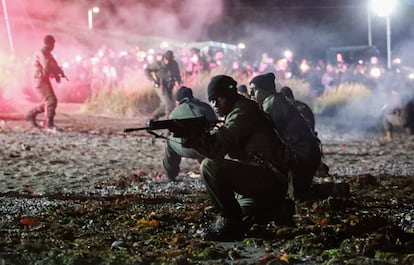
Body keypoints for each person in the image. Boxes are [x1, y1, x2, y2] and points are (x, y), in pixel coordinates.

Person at [183, 75, 293, 241]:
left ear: (229, 95)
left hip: (270, 179)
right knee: (247, 214)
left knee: (209, 167)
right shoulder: (239, 110)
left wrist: (192, 137)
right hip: (266, 180)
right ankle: (276, 209)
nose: (214, 105)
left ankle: (231, 222)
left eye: (217, 99)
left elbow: (217, 148)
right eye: (211, 100)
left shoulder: (243, 112)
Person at [249, 73, 321, 201]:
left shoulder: (272, 103)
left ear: (265, 91)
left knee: (296, 197)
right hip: (307, 153)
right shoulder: (278, 101)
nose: (251, 95)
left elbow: (264, 133)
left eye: (254, 91)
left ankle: (333, 190)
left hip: (301, 155)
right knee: (297, 194)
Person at [162, 86, 218, 181]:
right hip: (208, 148)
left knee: (169, 142)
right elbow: (215, 125)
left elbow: (169, 132)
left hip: (187, 148)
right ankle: (214, 171)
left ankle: (170, 176)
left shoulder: (175, 112)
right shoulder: (205, 106)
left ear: (178, 100)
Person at [26, 34, 67, 131]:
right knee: (51, 101)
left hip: (43, 80)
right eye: (53, 44)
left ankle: (32, 114)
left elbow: (54, 64)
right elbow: (47, 66)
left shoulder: (48, 53)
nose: (54, 47)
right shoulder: (41, 52)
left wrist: (59, 72)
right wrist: (56, 72)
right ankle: (49, 124)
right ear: (50, 44)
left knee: (49, 101)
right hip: (39, 80)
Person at [145, 50, 182, 120]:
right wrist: (153, 80)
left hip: (170, 86)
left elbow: (177, 74)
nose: (167, 61)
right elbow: (147, 70)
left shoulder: (174, 64)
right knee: (169, 104)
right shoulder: (158, 64)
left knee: (164, 104)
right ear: (163, 58)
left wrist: (178, 81)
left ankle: (154, 117)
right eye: (166, 59)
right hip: (160, 86)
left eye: (169, 59)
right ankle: (169, 121)